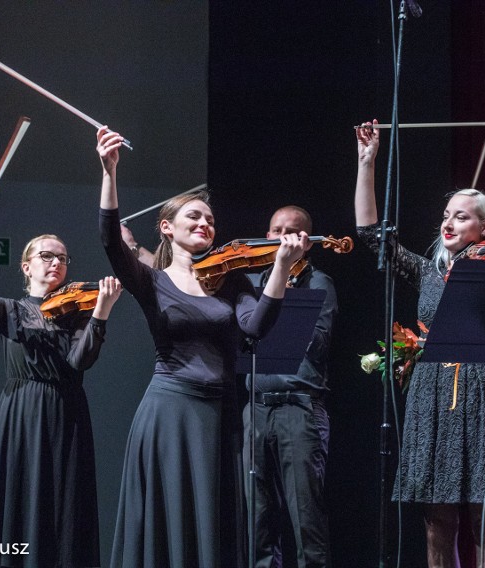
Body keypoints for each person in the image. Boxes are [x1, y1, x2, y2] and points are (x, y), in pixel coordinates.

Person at [96, 126, 311, 568]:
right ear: (166, 228)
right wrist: (109, 171)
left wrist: (281, 266)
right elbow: (110, 242)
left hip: (220, 414)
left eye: (209, 220)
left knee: (213, 524)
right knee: (169, 521)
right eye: (193, 217)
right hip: (171, 411)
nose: (204, 224)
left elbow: (256, 327)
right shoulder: (151, 281)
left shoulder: (230, 279)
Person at [355, 120, 485, 568]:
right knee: (437, 524)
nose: (448, 222)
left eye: (460, 216)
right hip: (430, 392)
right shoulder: (430, 270)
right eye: (446, 215)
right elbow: (373, 235)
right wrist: (367, 162)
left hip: (479, 387)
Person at [0, 196, 123, 567]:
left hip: (67, 413)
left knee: (65, 502)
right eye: (47, 256)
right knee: (20, 495)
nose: (57, 263)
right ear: (26, 266)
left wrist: (101, 313)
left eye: (62, 258)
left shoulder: (78, 313)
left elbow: (80, 360)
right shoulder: (12, 311)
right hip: (23, 413)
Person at [244, 205, 337, 568]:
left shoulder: (318, 282)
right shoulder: (250, 283)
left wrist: (284, 279)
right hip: (256, 407)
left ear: (306, 241)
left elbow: (313, 343)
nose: (282, 237)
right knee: (257, 521)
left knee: (306, 521)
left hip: (299, 409)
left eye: (292, 231)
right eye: (276, 230)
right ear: (266, 237)